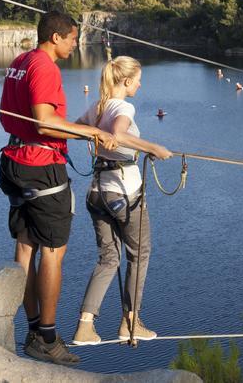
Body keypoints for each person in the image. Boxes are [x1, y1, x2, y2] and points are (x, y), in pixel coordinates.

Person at [0, 11, 118, 366]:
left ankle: (33, 329)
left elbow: (17, 116)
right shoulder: (45, 67)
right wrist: (93, 132)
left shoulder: (19, 61)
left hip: (14, 159)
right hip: (42, 167)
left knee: (25, 248)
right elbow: (46, 123)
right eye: (71, 38)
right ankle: (47, 337)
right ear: (55, 37)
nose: (73, 44)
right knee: (53, 251)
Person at [71, 56, 173, 346]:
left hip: (97, 193)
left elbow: (75, 130)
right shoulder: (123, 106)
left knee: (109, 258)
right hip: (123, 192)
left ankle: (84, 327)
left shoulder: (97, 107)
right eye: (138, 79)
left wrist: (96, 134)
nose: (140, 84)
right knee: (139, 254)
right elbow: (118, 133)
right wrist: (153, 147)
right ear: (126, 81)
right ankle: (131, 321)